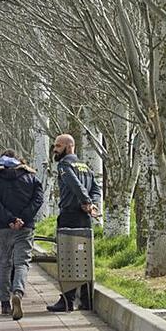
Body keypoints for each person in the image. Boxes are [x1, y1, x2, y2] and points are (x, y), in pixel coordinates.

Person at [0, 150, 44, 320]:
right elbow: (38, 200)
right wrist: (22, 219)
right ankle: (17, 291)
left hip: (2, 227)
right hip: (25, 227)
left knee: (4, 262)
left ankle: (4, 303)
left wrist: (9, 219)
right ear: (19, 161)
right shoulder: (31, 177)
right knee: (22, 263)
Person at [47, 133, 103, 312]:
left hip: (70, 215)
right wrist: (91, 204)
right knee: (84, 256)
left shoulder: (65, 164)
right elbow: (96, 188)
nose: (55, 149)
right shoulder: (85, 166)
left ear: (69, 146)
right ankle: (86, 300)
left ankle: (67, 300)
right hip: (84, 217)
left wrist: (86, 202)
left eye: (58, 146)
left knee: (68, 257)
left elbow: (74, 183)